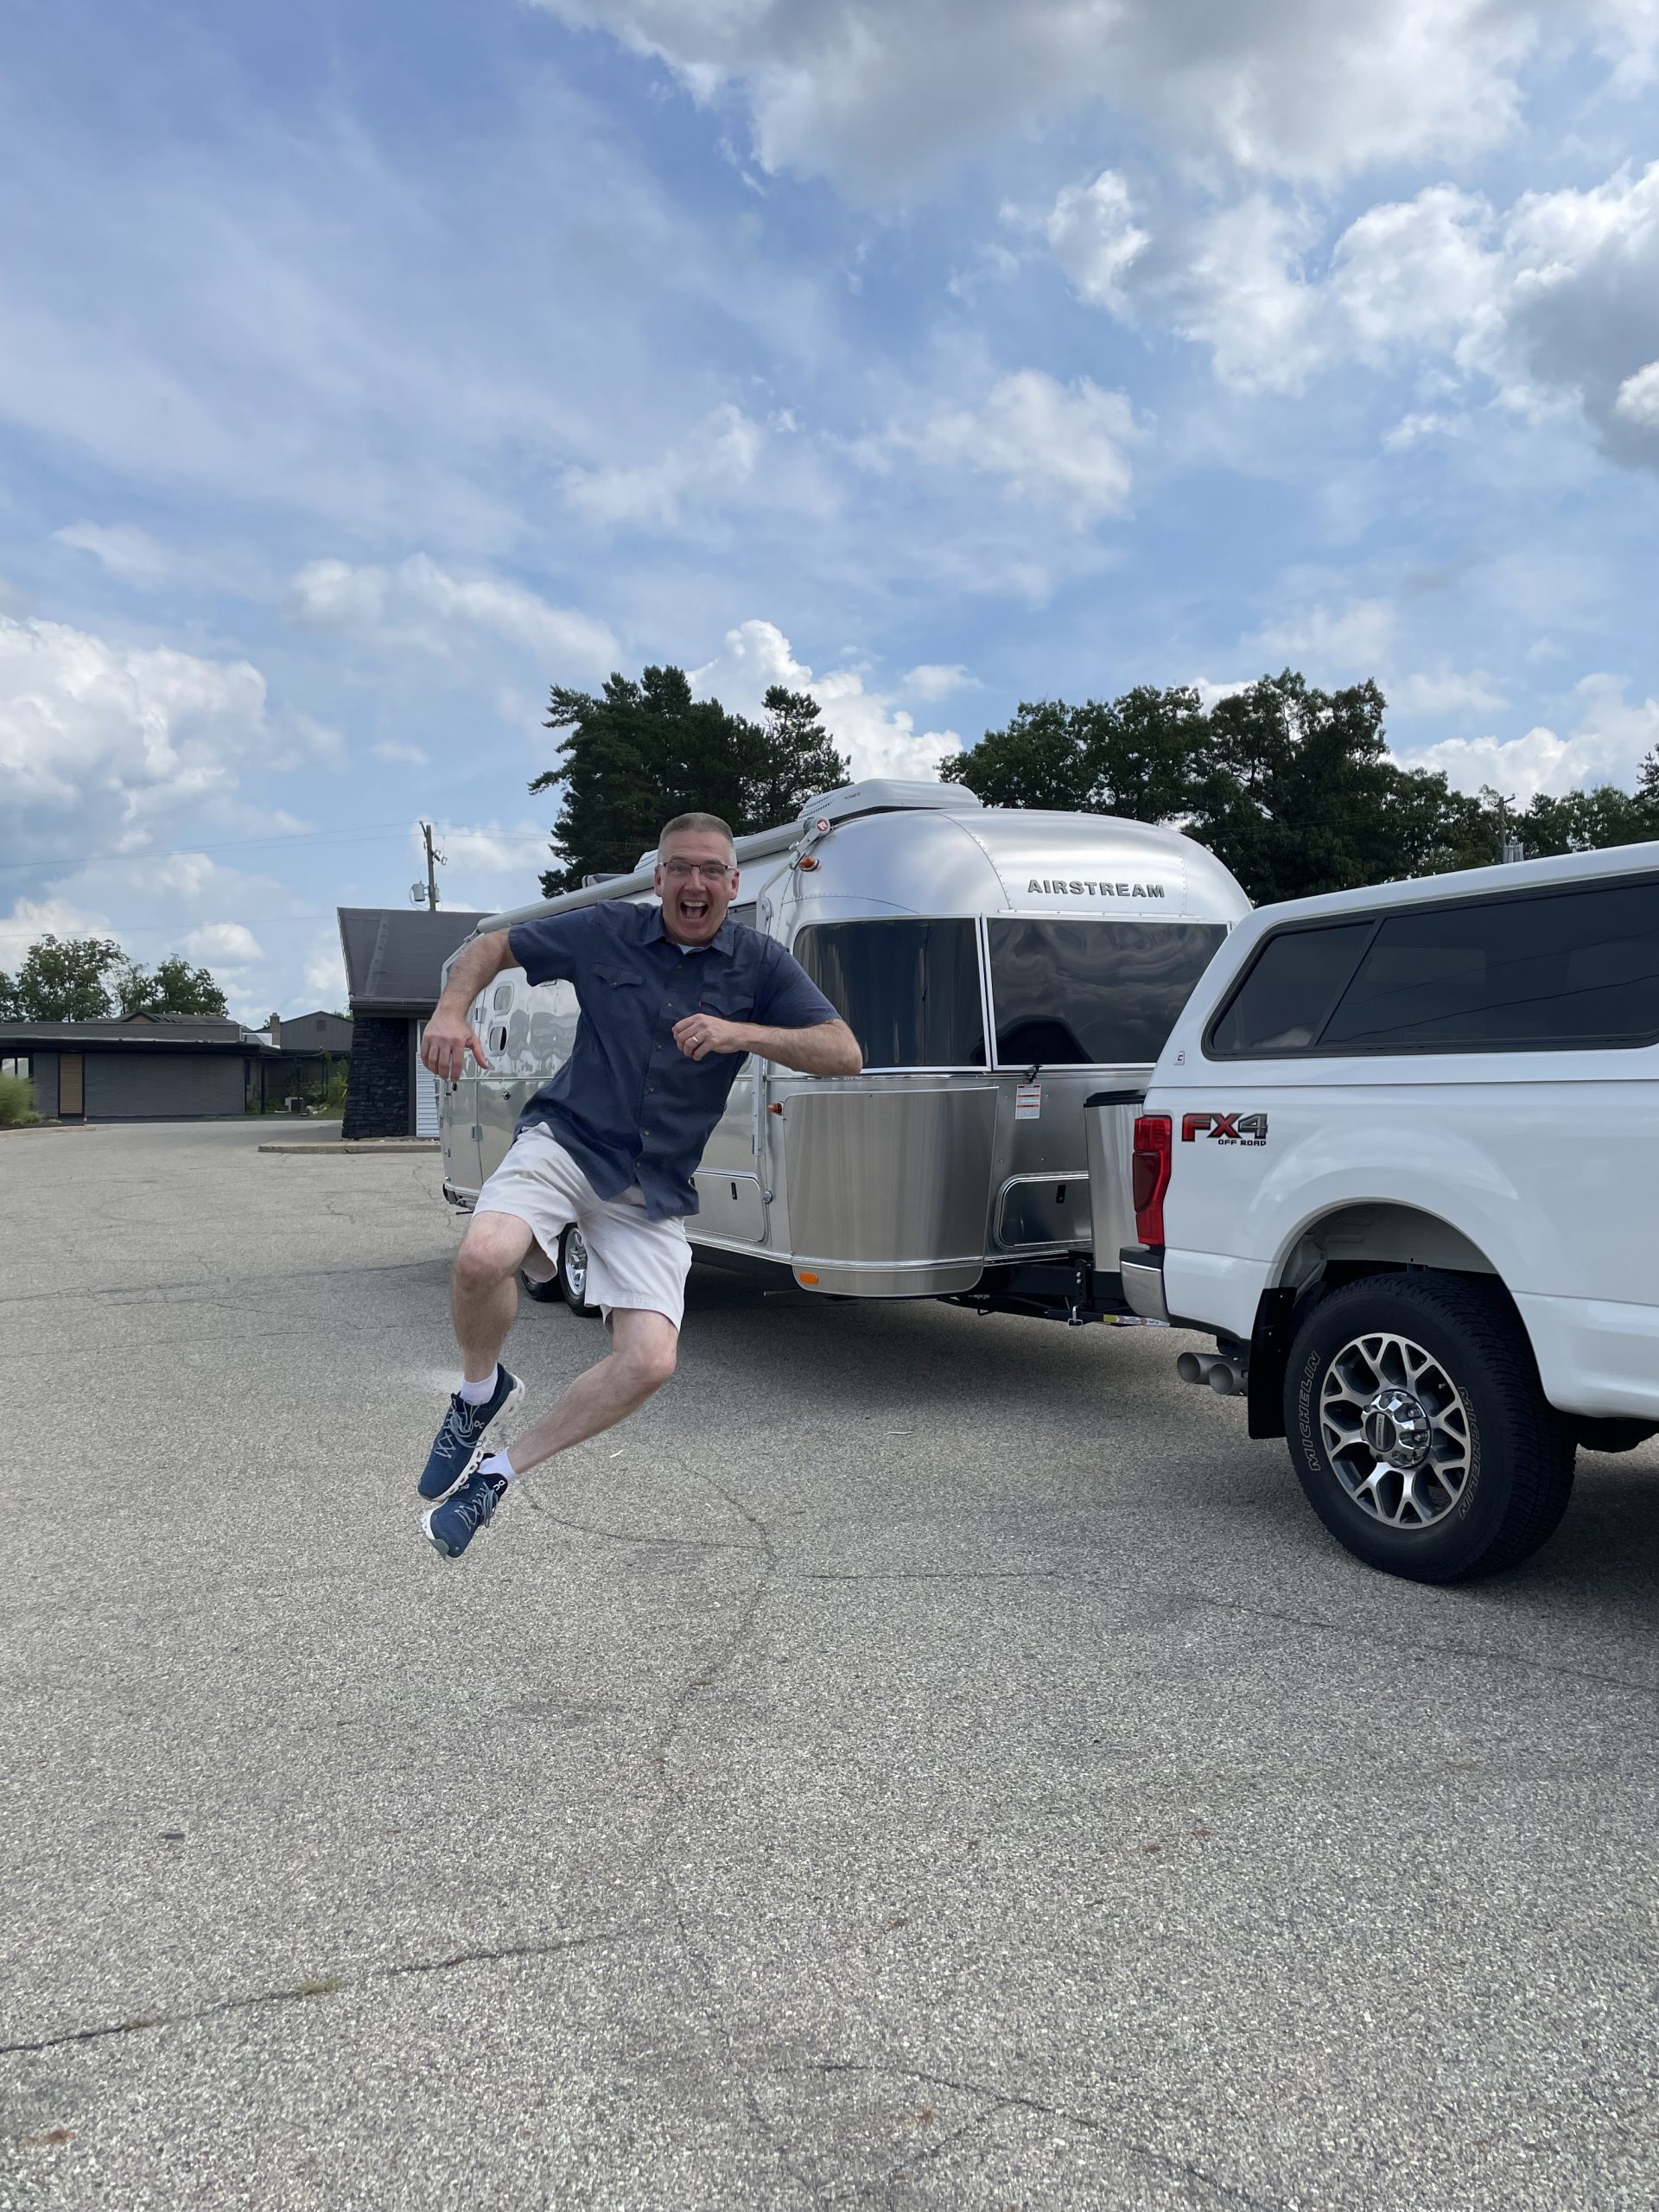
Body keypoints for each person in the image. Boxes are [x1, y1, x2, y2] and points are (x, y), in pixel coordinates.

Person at [415, 810, 861, 1558]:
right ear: (658, 878)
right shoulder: (607, 930)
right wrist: (450, 1011)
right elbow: (490, 946)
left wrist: (741, 1033)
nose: (695, 882)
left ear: (733, 884)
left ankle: (496, 1475)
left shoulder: (759, 963)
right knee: (484, 1255)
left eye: (711, 870)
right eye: (680, 867)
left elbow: (843, 1052)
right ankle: (478, 1392)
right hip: (567, 1140)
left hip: (652, 1183)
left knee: (650, 1361)